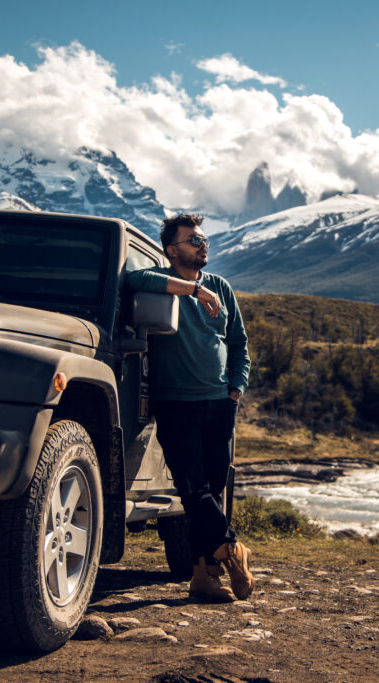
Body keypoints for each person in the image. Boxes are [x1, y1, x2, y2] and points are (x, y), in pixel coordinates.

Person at [127, 214, 253, 603]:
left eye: (203, 239)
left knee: (212, 490)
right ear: (173, 250)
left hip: (219, 404)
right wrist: (191, 291)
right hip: (175, 405)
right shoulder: (159, 285)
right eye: (194, 240)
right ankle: (233, 548)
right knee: (193, 488)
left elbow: (239, 346)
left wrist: (236, 390)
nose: (203, 245)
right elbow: (133, 281)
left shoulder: (222, 287)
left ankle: (204, 577)